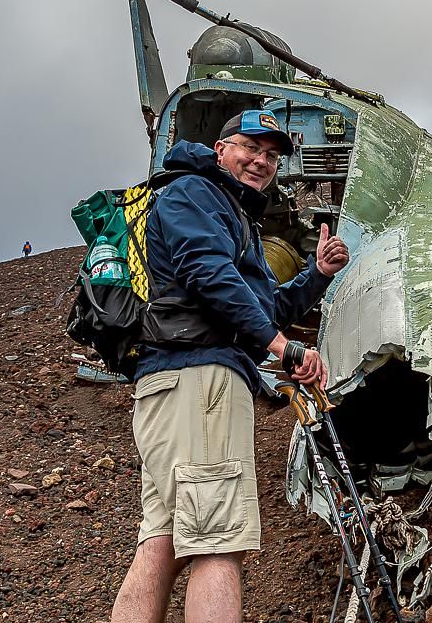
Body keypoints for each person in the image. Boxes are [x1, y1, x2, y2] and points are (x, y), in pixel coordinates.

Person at [112, 110, 350, 623]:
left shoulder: (230, 212)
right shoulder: (195, 193)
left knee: (164, 539)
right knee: (219, 541)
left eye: (271, 155)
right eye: (251, 147)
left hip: (178, 383)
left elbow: (261, 305)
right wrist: (282, 348)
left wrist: (317, 276)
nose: (262, 161)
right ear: (220, 149)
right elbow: (209, 276)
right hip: (202, 381)